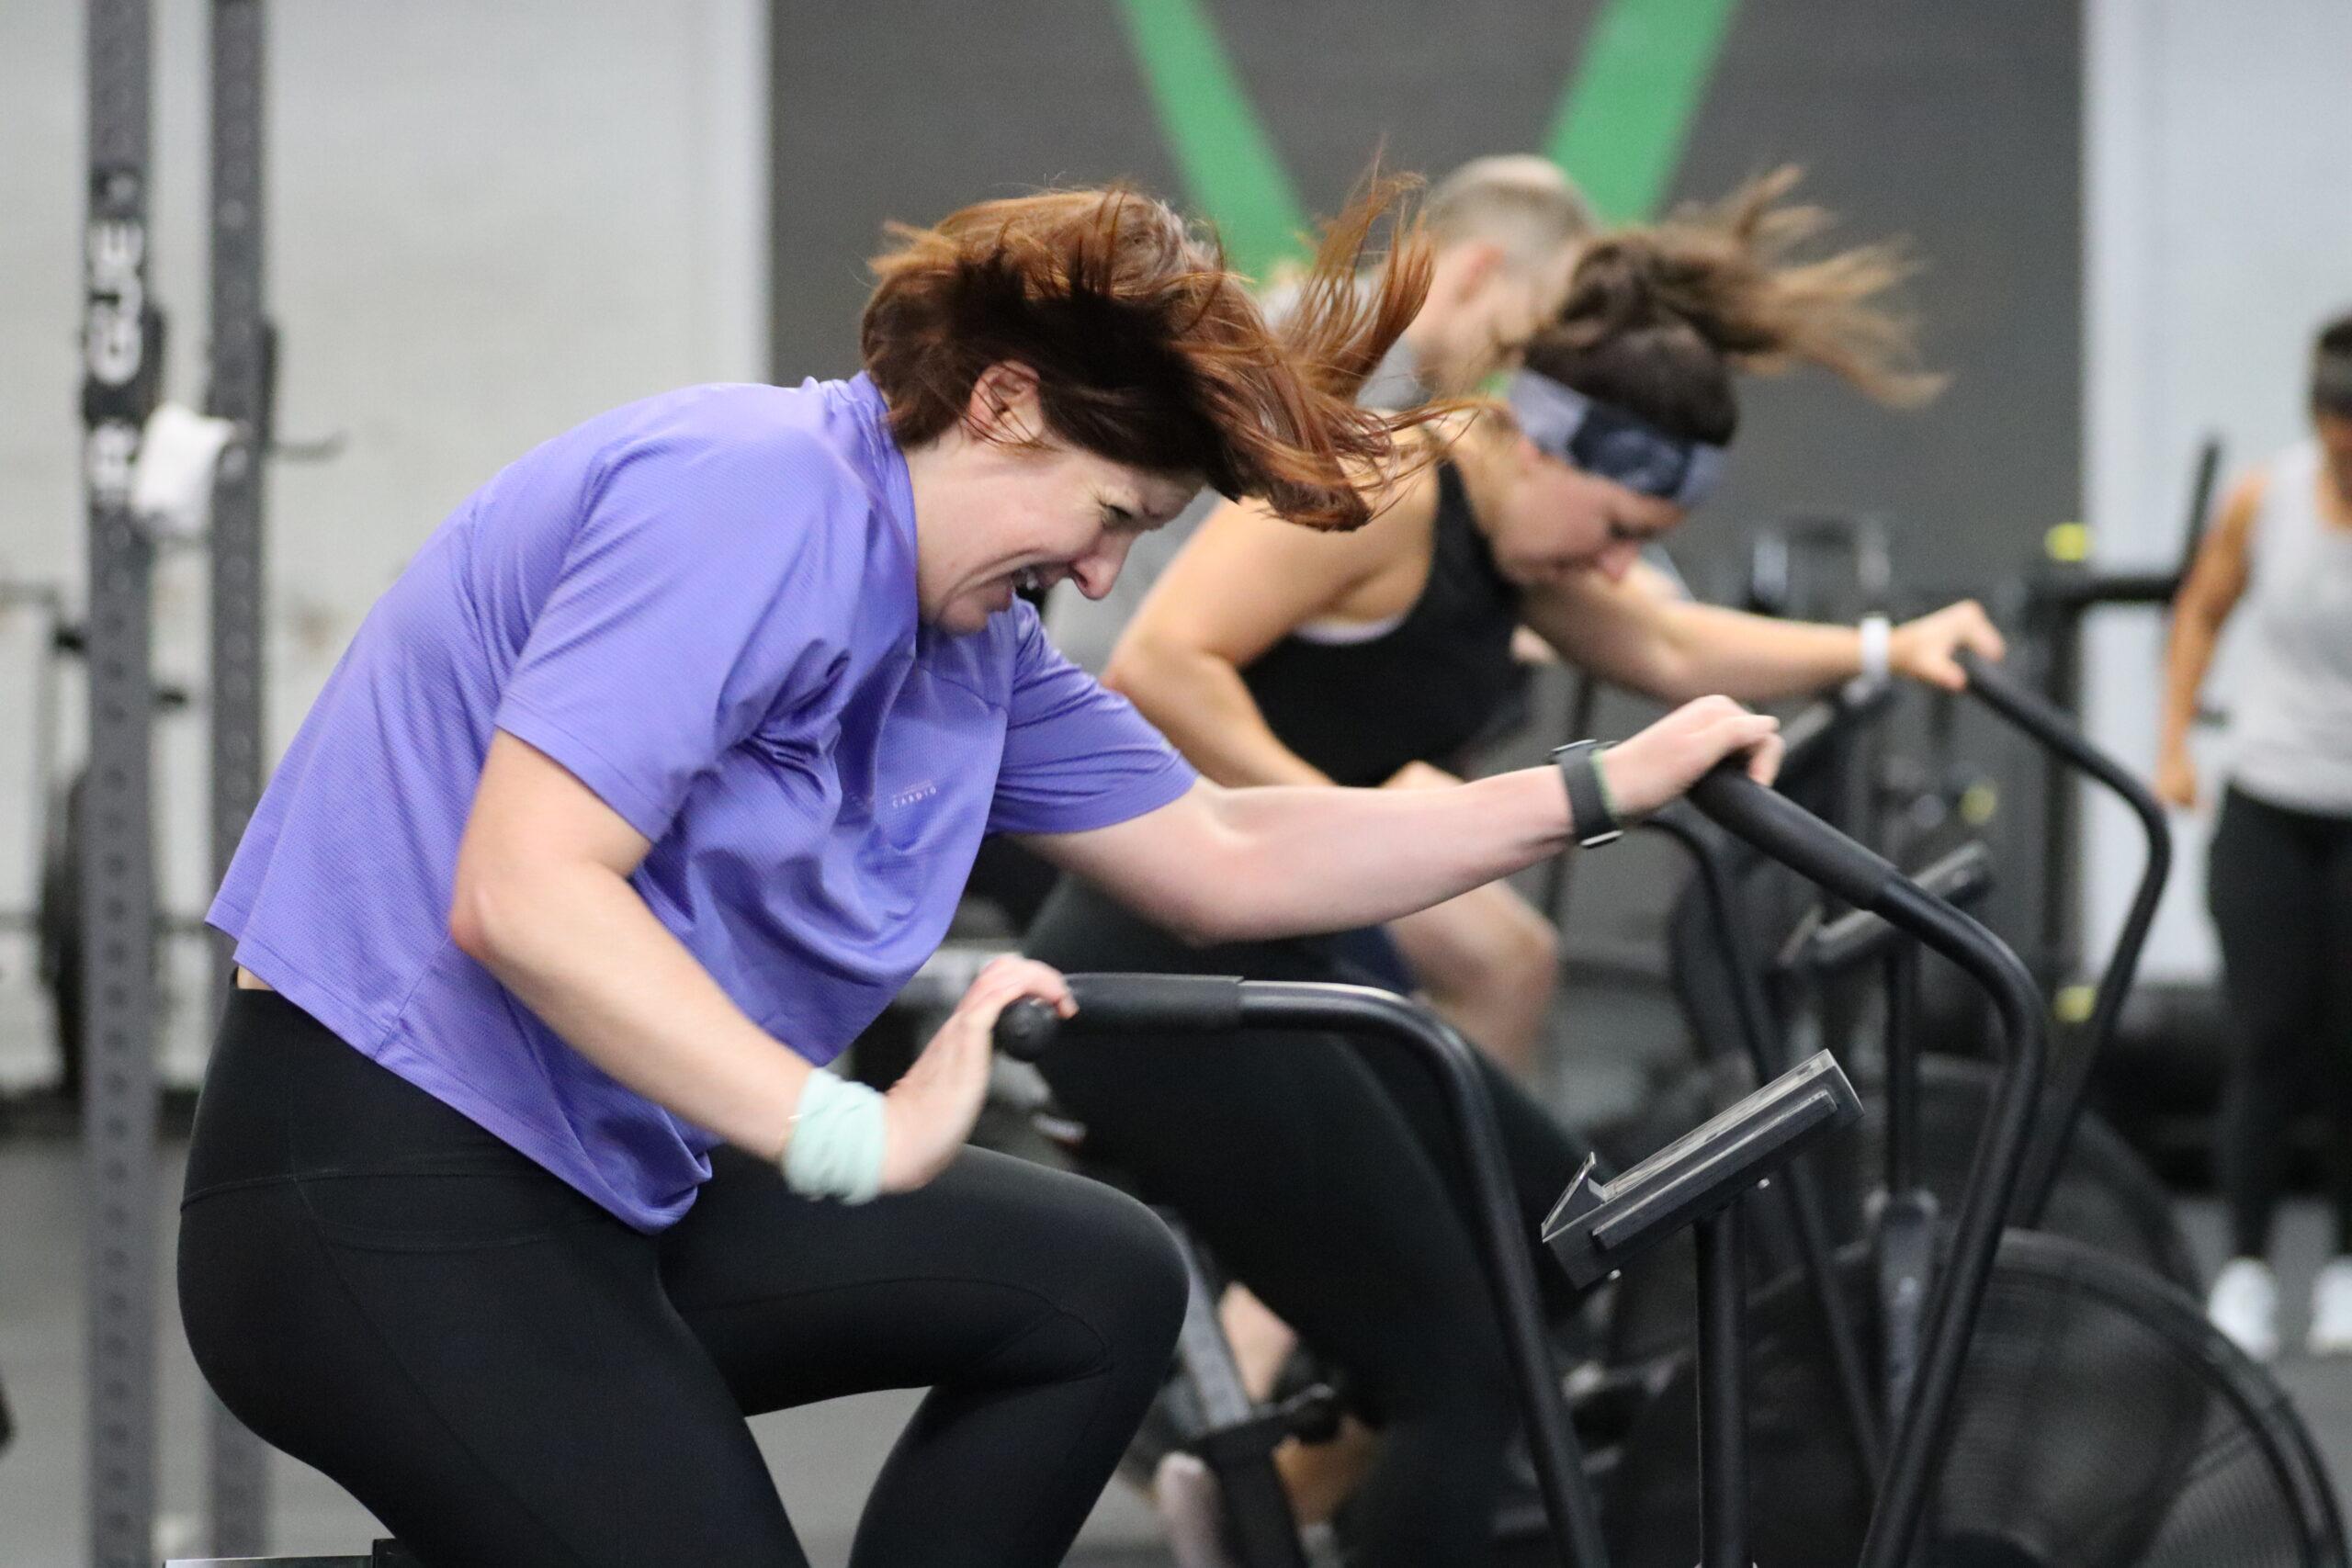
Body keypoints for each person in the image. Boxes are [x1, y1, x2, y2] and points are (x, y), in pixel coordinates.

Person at [174, 176, 1785, 1568]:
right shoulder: (752, 491)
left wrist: (1596, 788)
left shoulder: (967, 650)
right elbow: (525, 891)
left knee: (1096, 1285)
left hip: (606, 1187)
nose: (1101, 567)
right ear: (1004, 403)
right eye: (1109, 513)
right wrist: (841, 1125)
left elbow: (1222, 850)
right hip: (373, 1182)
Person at [1024, 168, 2005, 1568]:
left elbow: (1669, 647)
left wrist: (1879, 647)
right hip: (1152, 964)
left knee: (1561, 1226)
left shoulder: (1515, 545)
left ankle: (1261, 1493)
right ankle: (1289, 1478)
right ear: (1542, 445)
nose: (1618, 567)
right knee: (1466, 1370)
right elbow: (1164, 663)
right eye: (1621, 530)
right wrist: (1353, 839)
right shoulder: (1390, 488)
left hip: (1275, 952)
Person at [1033, 153, 1600, 1069]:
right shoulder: (1336, 362)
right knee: (1463, 955)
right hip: (1109, 721)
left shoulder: (1398, 389)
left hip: (1168, 718)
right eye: (1521, 336)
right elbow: (1162, 651)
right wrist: (1343, 829)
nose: (1516, 368)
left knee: (1496, 949)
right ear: (1479, 271)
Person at [2159, 309, 2352, 1363]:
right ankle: (2242, 1267)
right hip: (2269, 805)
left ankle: (2345, 1270)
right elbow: (2199, 609)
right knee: (2266, 1038)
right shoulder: (2263, 499)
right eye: (2333, 425)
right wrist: (2173, 745)